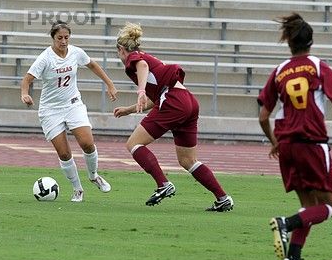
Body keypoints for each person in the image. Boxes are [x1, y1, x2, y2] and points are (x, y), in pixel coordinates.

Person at [258, 13, 332, 260]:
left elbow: (263, 116)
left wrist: (275, 142)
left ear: (289, 43)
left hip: (287, 145)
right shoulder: (320, 67)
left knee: (309, 205)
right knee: (330, 207)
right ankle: (285, 224)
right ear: (311, 42)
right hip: (312, 142)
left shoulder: (279, 71)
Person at [113, 22, 234, 210]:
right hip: (187, 101)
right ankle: (222, 198)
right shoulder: (147, 58)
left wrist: (140, 91)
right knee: (188, 160)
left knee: (133, 144)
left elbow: (142, 65)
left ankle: (163, 184)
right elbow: (157, 97)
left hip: (173, 101)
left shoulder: (134, 59)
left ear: (121, 49)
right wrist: (129, 109)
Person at [21, 21, 118, 202]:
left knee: (87, 143)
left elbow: (92, 65)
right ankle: (77, 189)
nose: (63, 41)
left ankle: (94, 175)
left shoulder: (76, 52)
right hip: (50, 110)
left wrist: (110, 84)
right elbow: (27, 79)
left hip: (73, 105)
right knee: (64, 154)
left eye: (66, 37)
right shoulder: (45, 58)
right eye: (60, 38)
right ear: (53, 38)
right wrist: (24, 94)